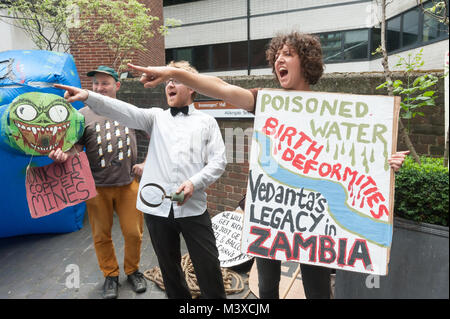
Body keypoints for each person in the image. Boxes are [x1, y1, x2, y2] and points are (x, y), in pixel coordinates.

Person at [125, 31, 408, 299]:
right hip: (272, 212)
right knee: (267, 287)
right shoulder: (265, 101)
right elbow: (222, 88)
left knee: (318, 288)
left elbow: (357, 155)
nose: (279, 60)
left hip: (317, 218)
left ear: (306, 62)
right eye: (277, 56)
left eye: (288, 54)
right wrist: (173, 73)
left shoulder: (333, 109)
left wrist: (385, 163)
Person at [53, 61, 227, 299]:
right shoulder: (155, 117)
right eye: (167, 81)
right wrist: (89, 96)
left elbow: (219, 161)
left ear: (192, 88)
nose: (170, 85)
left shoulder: (207, 122)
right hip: (157, 209)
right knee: (170, 270)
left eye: (176, 80)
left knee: (208, 267)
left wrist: (194, 182)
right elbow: (121, 110)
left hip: (193, 207)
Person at [49, 66, 147, 299]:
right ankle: (110, 275)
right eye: (95, 84)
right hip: (96, 187)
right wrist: (64, 154)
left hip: (128, 184)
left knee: (134, 233)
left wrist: (148, 162)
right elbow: (76, 147)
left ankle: (133, 271)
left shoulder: (129, 111)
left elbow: (157, 135)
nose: (99, 87)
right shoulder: (81, 115)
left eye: (105, 83)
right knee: (101, 235)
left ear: (117, 86)